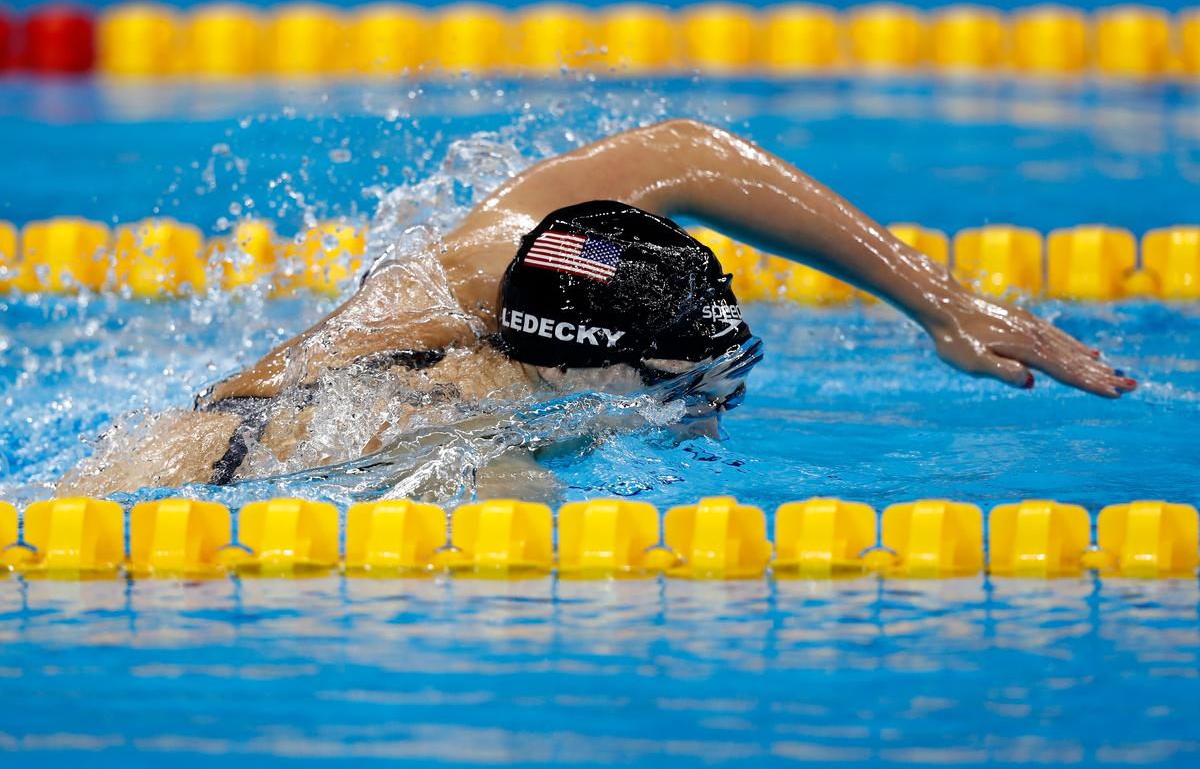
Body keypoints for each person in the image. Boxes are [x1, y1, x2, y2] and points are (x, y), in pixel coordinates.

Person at [58, 118, 1134, 500]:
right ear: (584, 368)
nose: (716, 403)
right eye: (683, 384)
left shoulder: (510, 246)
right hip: (194, 461)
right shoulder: (466, 418)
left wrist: (938, 303)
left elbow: (688, 151)